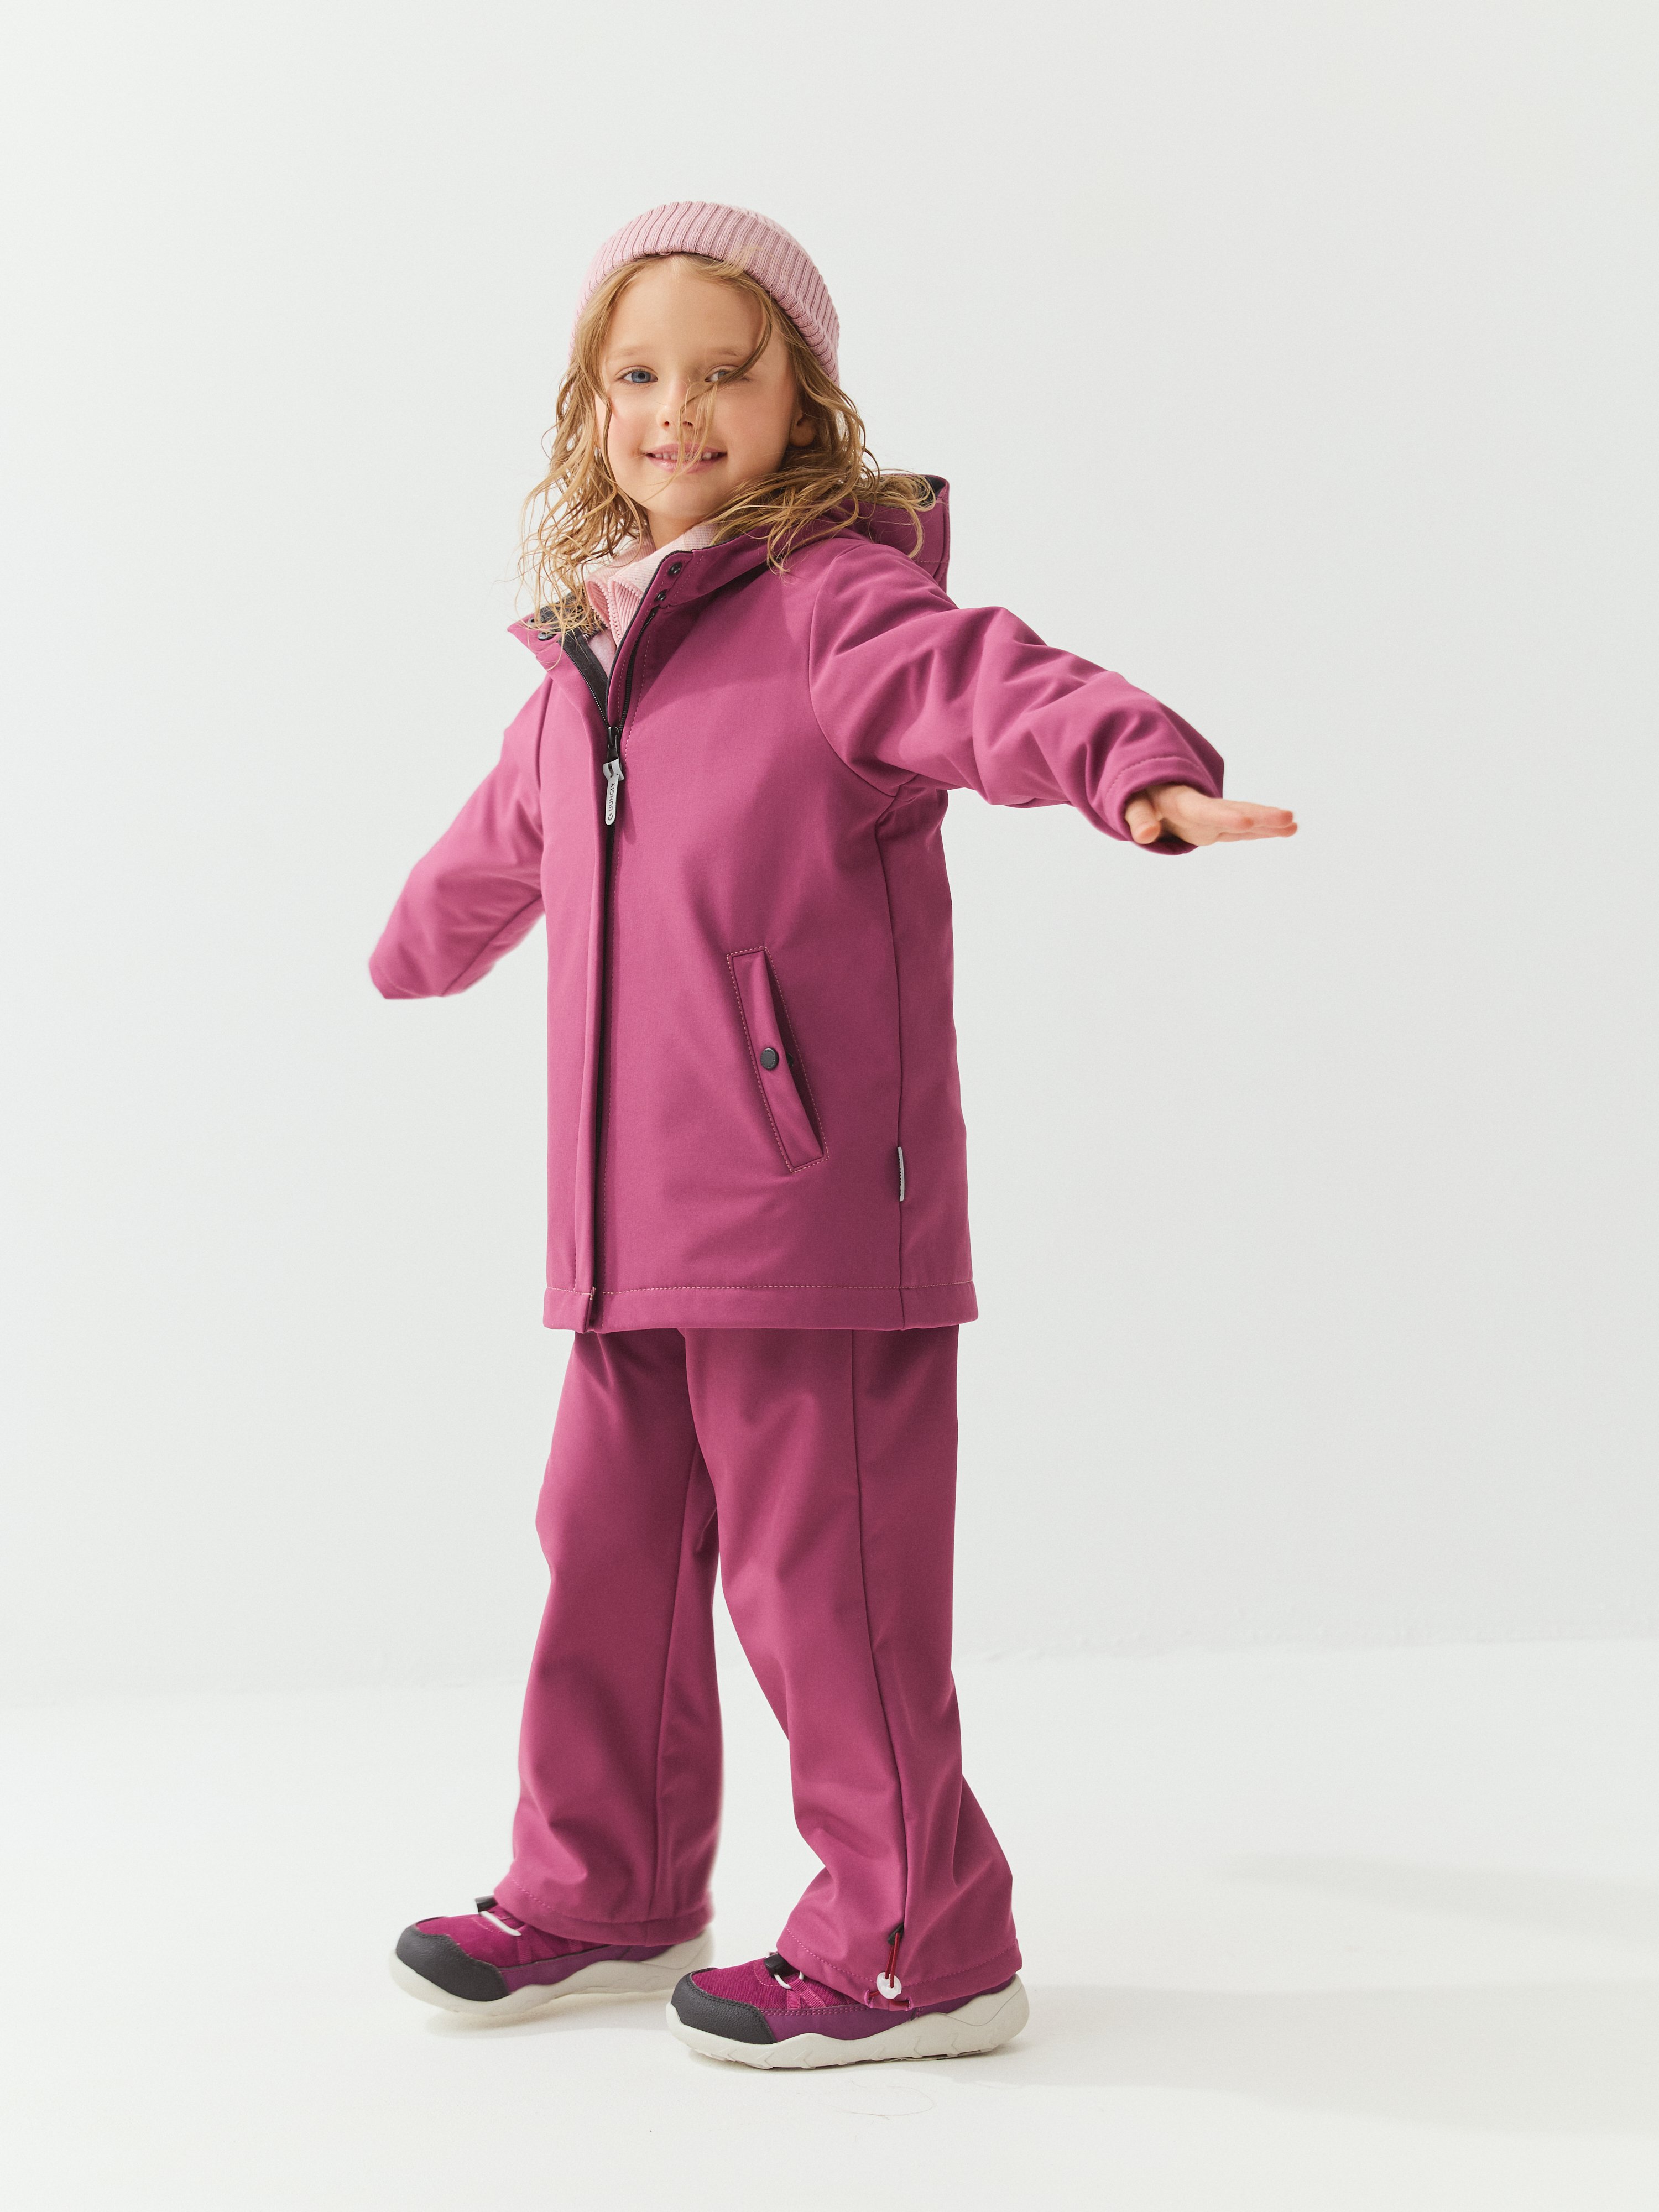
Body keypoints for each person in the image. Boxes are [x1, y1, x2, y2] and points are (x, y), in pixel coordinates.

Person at [371, 201, 1296, 2070]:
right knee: (606, 1568)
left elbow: (998, 684)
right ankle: (603, 1889)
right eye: (639, 376)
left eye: (725, 373)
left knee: (830, 1592)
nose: (678, 412)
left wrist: (1140, 770)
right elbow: (510, 834)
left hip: (809, 1222)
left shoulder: (835, 608)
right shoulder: (589, 657)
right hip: (624, 1237)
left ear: (804, 397)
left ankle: (917, 1940)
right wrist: (417, 941)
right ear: (591, 405)